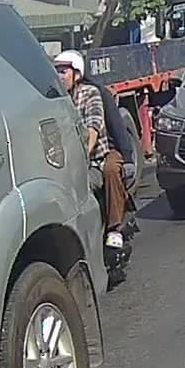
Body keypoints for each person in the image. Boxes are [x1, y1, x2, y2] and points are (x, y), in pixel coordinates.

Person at [54, 50, 128, 249]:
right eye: (56, 72)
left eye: (63, 72)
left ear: (77, 74)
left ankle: (114, 228)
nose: (59, 76)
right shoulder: (56, 101)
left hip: (97, 158)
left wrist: (83, 157)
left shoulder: (90, 93)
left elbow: (93, 127)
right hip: (67, 162)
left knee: (110, 171)